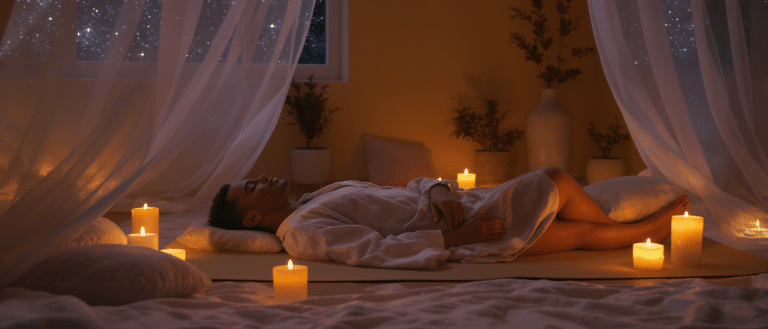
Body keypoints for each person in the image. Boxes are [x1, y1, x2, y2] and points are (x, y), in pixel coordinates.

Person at [209, 167, 689, 269]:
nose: (262, 178)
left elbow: (407, 187)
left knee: (568, 218)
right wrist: (457, 237)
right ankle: (645, 230)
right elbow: (373, 250)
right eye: (252, 187)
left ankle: (638, 229)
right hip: (463, 231)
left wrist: (438, 191)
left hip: (463, 207)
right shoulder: (302, 232)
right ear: (253, 218)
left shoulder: (322, 193)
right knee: (558, 183)